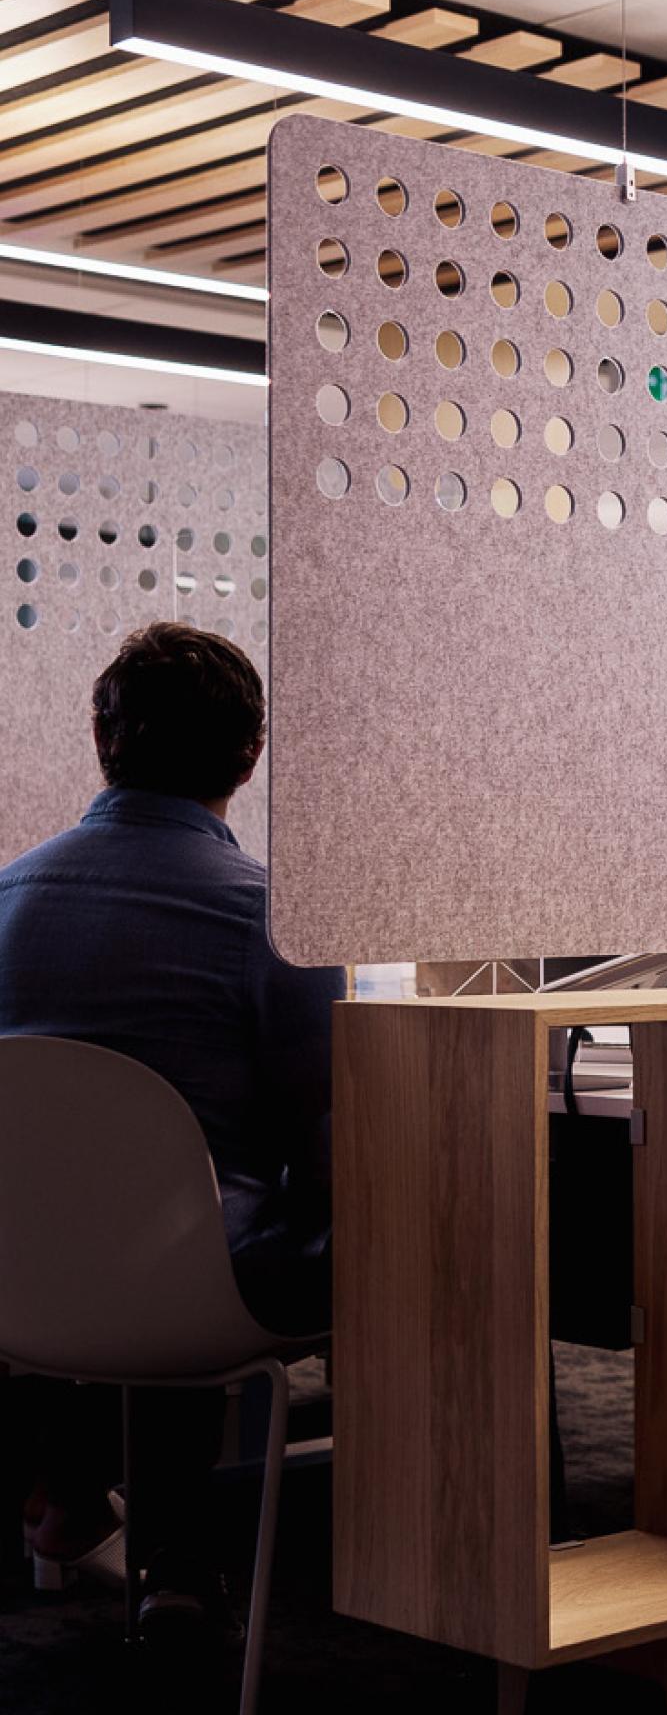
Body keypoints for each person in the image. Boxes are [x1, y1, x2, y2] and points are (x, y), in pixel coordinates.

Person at [0, 621, 339, 1630]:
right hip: (190, 1293)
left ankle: (74, 1489)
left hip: (22, 1283)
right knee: (283, 1222)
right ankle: (199, 1561)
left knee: (142, 1211)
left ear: (103, 744)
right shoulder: (269, 918)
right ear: (252, 754)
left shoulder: (5, 897)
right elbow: (328, 1149)